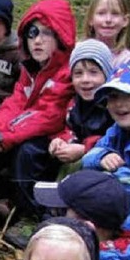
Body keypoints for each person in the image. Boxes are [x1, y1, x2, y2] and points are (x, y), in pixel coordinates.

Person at [0, 0, 76, 228]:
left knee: (26, 153)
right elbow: (16, 101)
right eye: (32, 34)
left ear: (61, 37)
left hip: (58, 135)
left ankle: (34, 214)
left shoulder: (66, 72)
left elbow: (48, 115)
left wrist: (7, 136)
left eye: (46, 34)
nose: (37, 41)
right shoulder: (31, 69)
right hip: (33, 129)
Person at [48, 39, 113, 175]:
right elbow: (69, 129)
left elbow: (113, 138)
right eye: (78, 73)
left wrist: (84, 149)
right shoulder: (73, 104)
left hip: (107, 162)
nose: (85, 79)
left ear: (107, 75)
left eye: (93, 72)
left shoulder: (113, 105)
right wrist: (61, 142)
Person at [82, 61, 130, 229]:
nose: (119, 104)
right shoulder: (116, 131)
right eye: (113, 96)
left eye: (129, 96)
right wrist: (102, 156)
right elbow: (88, 157)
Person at [83, 0, 130, 68]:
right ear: (90, 19)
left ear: (125, 20)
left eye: (115, 14)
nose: (108, 20)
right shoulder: (77, 52)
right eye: (101, 13)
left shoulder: (127, 61)